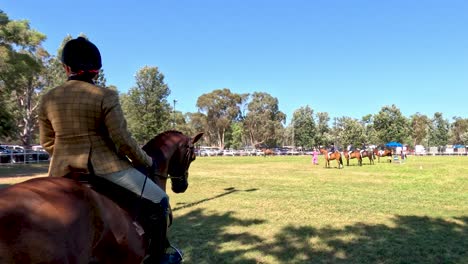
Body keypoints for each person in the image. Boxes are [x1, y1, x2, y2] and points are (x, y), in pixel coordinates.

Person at [38, 37, 181, 264]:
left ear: (66, 67)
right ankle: (161, 255)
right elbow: (122, 140)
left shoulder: (48, 98)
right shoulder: (106, 95)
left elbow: (47, 142)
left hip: (61, 170)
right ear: (96, 71)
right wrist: (144, 160)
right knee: (160, 200)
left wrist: (66, 154)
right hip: (105, 167)